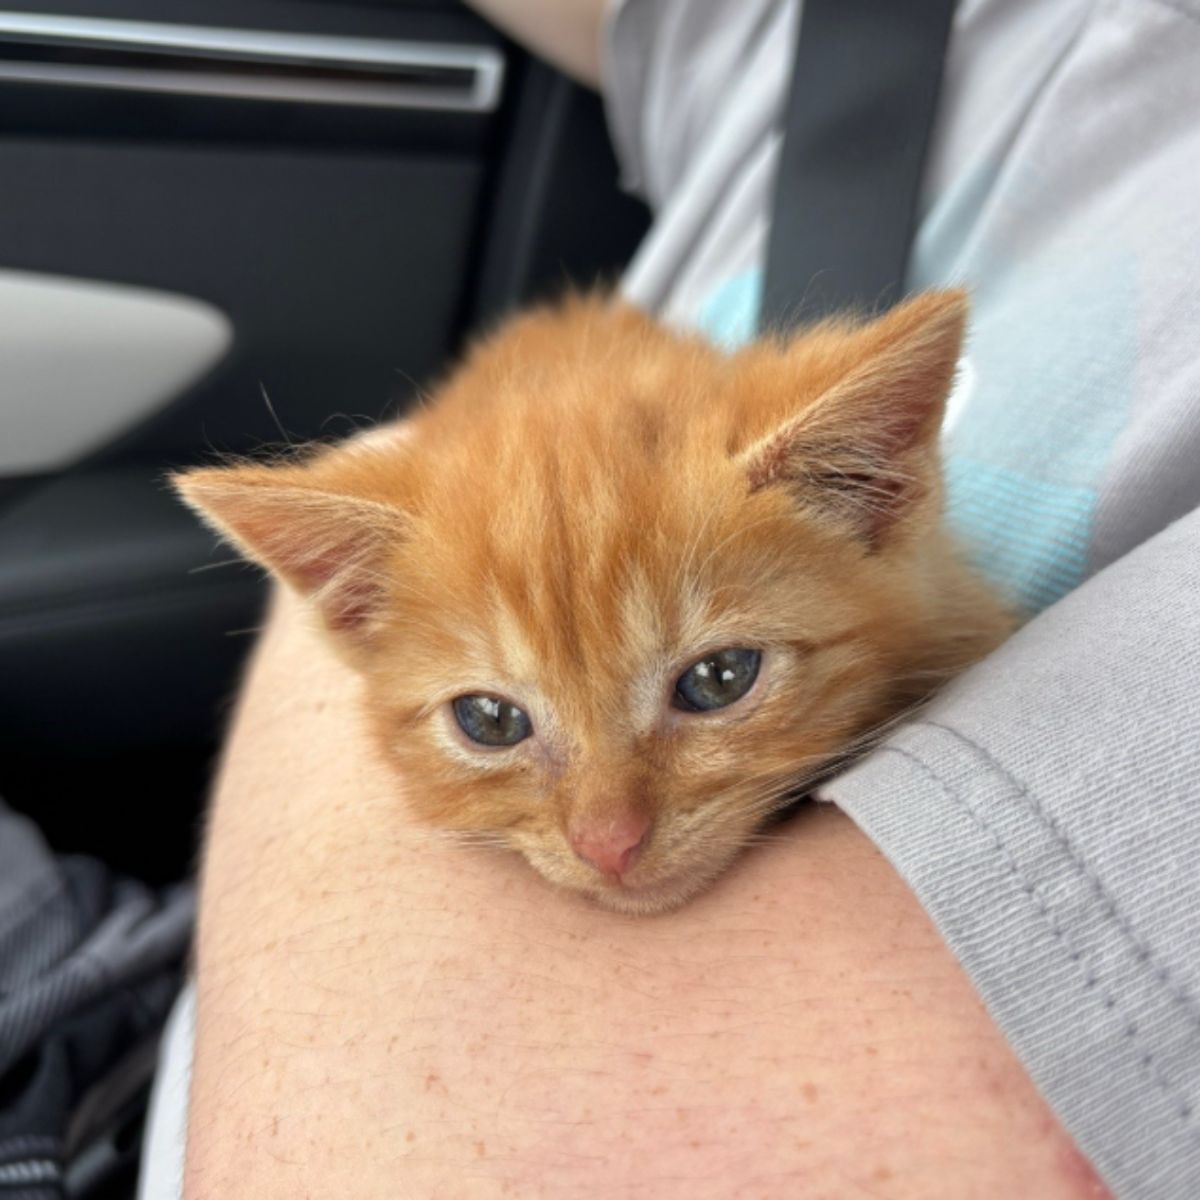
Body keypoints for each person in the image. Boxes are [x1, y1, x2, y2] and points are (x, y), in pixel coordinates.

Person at [142, 0, 1200, 1196]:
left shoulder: (856, 511)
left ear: (879, 484)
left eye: (712, 679)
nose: (609, 835)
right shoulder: (816, 33)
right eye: (494, 721)